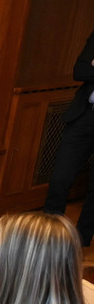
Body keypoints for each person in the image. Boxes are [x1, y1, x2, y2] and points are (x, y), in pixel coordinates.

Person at [45, 28, 94, 246]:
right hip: (84, 115)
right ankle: (47, 235)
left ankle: (81, 241)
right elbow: (80, 71)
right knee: (60, 178)